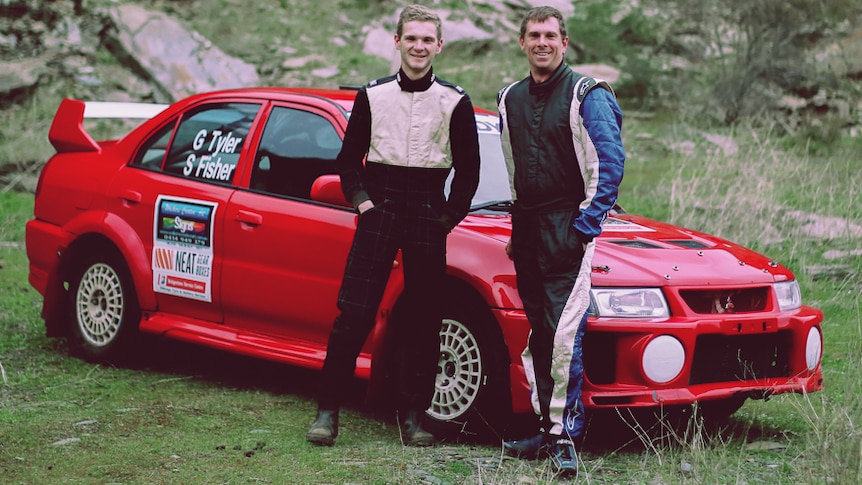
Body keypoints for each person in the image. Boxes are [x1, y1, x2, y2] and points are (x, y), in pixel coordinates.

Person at [305, 4, 481, 448]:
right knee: (354, 312)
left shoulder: (455, 101)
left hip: (427, 212)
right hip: (379, 209)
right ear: (398, 42)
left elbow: (470, 171)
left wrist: (446, 219)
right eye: (412, 38)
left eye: (428, 39)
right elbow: (348, 163)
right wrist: (364, 204)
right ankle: (327, 412)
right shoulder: (372, 96)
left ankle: (411, 417)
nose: (419, 46)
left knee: (423, 319)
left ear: (439, 45)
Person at [496, 6, 625, 476]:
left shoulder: (586, 94)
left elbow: (609, 166)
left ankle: (565, 436)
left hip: (568, 226)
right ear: (522, 42)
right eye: (534, 35)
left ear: (565, 43)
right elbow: (513, 174)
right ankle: (542, 428)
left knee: (567, 336)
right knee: (541, 335)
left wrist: (583, 230)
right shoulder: (508, 97)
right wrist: (515, 230)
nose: (542, 42)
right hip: (529, 229)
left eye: (551, 35)